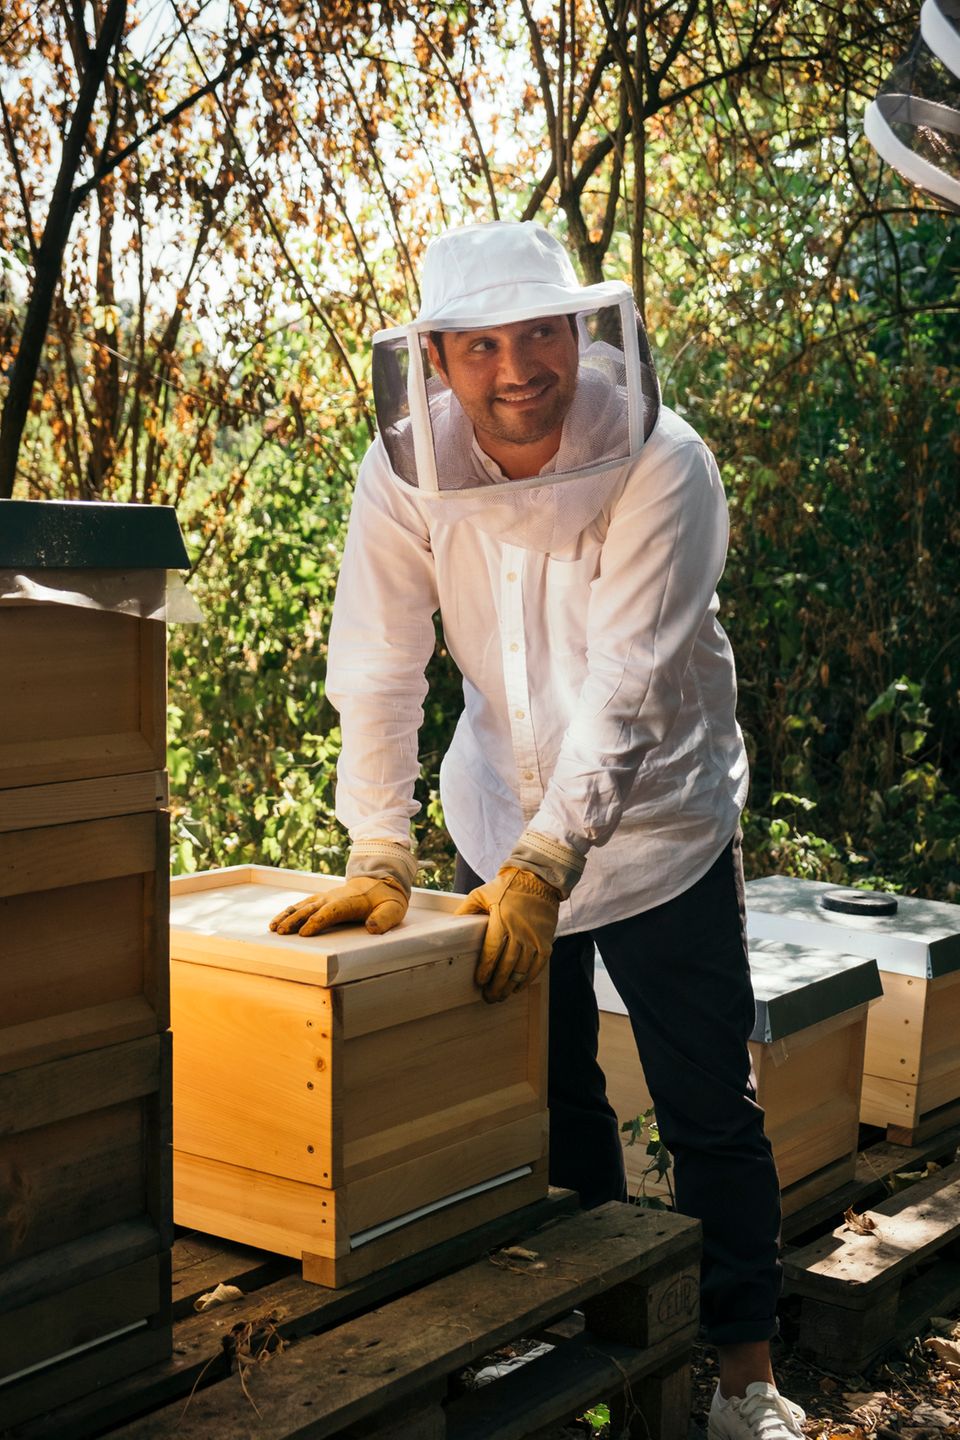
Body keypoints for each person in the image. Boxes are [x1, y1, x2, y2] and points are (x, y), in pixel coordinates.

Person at [269, 221, 805, 1440]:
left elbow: (628, 683)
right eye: (483, 346)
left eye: (539, 334)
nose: (517, 368)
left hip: (660, 827)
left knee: (707, 1104)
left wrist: (554, 858)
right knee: (544, 1102)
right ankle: (581, 1333)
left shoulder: (666, 462)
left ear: (581, 335)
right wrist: (378, 847)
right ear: (441, 361)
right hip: (497, 817)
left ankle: (743, 1374)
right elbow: (382, 661)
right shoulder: (402, 469)